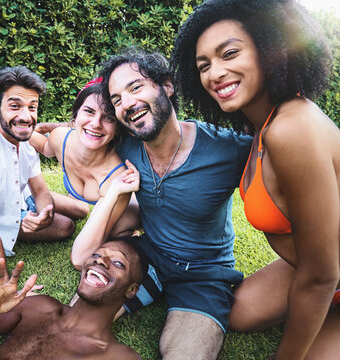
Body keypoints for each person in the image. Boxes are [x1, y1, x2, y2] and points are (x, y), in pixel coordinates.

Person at [171, 0, 340, 358]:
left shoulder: (291, 128)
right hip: (310, 269)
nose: (215, 73)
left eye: (229, 53)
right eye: (204, 66)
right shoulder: (263, 126)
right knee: (239, 313)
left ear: (269, 49)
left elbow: (321, 277)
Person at [72, 48, 252, 359]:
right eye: (116, 99)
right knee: (74, 328)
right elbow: (74, 131)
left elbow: (288, 155)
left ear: (166, 85)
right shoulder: (126, 143)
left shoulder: (228, 148)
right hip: (146, 253)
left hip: (204, 274)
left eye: (136, 87)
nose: (126, 103)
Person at [0, 66, 82, 276]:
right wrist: (4, 285)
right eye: (15, 106)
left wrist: (44, 214)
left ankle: (45, 210)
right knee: (66, 227)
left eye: (32, 107)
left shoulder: (24, 138)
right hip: (2, 217)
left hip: (23, 197)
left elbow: (40, 190)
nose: (25, 116)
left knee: (82, 210)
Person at [0, 238, 146, 360]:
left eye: (118, 263)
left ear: (131, 290)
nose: (100, 261)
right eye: (96, 255)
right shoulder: (39, 308)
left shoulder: (117, 356)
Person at [28, 78, 140, 247]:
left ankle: (131, 231)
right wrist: (10, 126)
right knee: (80, 210)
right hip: (87, 201)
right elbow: (44, 146)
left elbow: (85, 253)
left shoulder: (117, 176)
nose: (96, 124)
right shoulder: (60, 137)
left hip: (131, 210)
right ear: (76, 114)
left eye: (108, 118)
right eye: (88, 111)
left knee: (112, 235)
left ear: (117, 126)